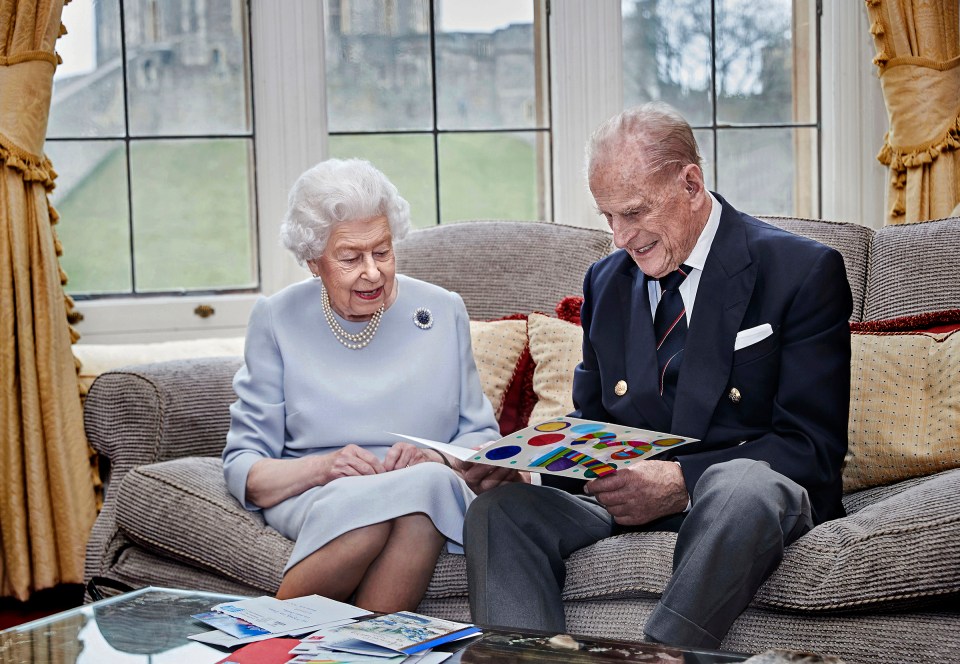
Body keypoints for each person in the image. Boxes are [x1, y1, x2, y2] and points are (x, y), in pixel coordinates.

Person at [462, 102, 852, 648]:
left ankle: (658, 658)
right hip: (625, 504)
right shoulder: (607, 281)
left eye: (635, 212)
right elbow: (594, 423)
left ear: (691, 183)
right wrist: (529, 469)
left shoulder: (800, 271)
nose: (621, 237)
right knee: (499, 511)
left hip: (736, 507)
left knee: (742, 485)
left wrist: (681, 483)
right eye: (608, 217)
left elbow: (812, 448)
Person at [223, 158, 500, 611]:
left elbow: (482, 438)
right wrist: (324, 467)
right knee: (386, 513)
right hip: (317, 490)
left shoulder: (442, 309)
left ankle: (264, 646)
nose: (372, 272)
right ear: (314, 262)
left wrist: (433, 455)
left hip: (423, 483)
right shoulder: (277, 318)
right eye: (350, 258)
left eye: (383, 251)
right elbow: (245, 467)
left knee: (421, 494)